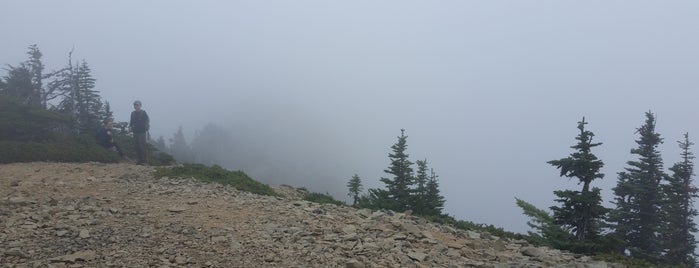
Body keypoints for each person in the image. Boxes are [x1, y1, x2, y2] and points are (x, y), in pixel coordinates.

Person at [129, 100, 150, 165]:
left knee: (142, 146)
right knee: (137, 146)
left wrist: (146, 127)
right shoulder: (132, 113)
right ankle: (140, 160)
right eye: (135, 105)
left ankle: (145, 161)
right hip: (135, 131)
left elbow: (147, 120)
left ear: (140, 106)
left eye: (137, 105)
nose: (136, 106)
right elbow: (131, 121)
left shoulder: (143, 112)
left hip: (142, 132)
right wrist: (130, 127)